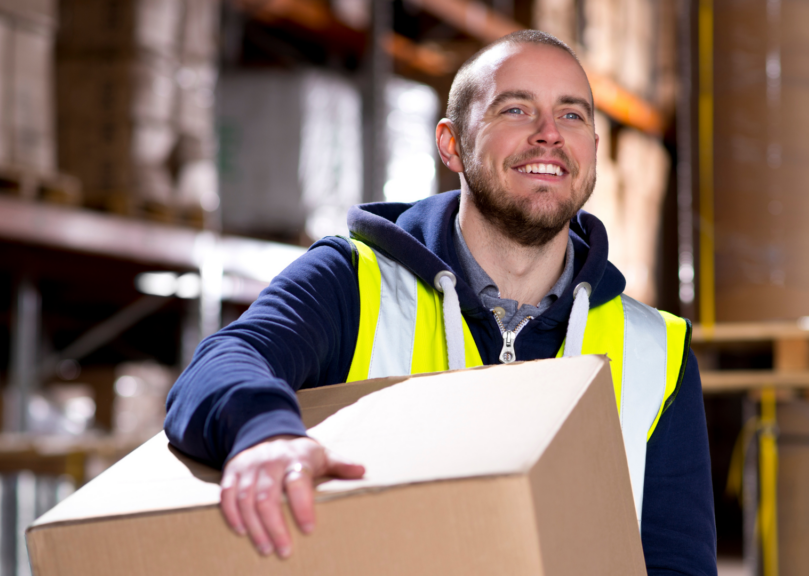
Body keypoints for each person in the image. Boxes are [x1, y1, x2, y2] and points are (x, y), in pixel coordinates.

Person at [166, 29, 716, 575]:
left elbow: (675, 562)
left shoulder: (656, 352)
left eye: (572, 115)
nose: (549, 134)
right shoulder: (353, 281)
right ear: (452, 144)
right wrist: (263, 434)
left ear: (592, 151)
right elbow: (221, 364)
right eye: (516, 110)